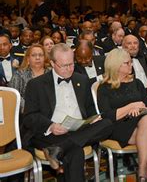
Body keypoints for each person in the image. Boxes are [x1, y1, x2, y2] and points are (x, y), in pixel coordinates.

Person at [22, 43, 113, 182]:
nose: (69, 69)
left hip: (79, 130)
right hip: (51, 133)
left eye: (71, 64)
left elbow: (89, 108)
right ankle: (60, 148)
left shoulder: (82, 80)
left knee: (107, 123)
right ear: (52, 63)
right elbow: (29, 117)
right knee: (75, 152)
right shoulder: (36, 84)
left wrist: (93, 118)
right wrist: (51, 126)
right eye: (64, 66)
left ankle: (58, 149)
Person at [97, 49, 147, 181]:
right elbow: (107, 115)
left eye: (131, 62)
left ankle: (142, 175)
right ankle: (143, 174)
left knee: (146, 119)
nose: (131, 65)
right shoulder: (104, 87)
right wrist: (130, 107)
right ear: (116, 65)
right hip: (117, 126)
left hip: (140, 125)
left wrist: (140, 108)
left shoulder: (137, 83)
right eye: (127, 63)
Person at [9, 44, 51, 110]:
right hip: (26, 114)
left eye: (40, 55)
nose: (37, 58)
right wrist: (29, 109)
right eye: (34, 55)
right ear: (28, 58)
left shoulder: (51, 73)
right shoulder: (19, 74)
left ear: (44, 58)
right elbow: (13, 94)